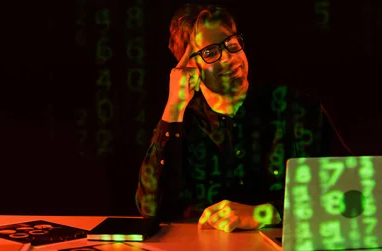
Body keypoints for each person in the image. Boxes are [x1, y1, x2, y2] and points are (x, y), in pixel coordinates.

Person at [135, 3, 348, 233]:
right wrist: (173, 107)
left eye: (231, 44)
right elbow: (150, 208)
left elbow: (349, 189)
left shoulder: (296, 108)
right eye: (210, 52)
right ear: (189, 66)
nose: (227, 58)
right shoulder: (183, 124)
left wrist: (265, 213)